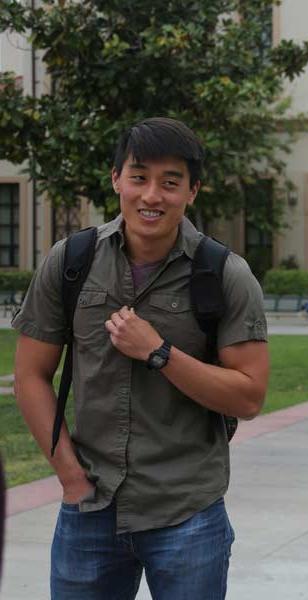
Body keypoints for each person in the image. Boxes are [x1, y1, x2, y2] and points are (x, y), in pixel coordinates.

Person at [12, 117, 270, 599]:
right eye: (139, 177)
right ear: (116, 180)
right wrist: (69, 477)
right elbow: (30, 375)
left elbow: (249, 395)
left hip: (187, 513)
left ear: (193, 191)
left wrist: (159, 352)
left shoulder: (225, 274)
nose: (152, 195)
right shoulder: (71, 262)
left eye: (171, 182)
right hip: (89, 509)